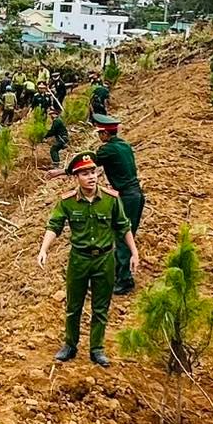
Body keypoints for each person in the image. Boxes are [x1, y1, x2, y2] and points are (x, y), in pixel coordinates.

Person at [39, 153, 139, 367]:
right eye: (85, 174)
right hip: (79, 260)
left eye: (93, 172)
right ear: (77, 177)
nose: (91, 177)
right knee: (74, 305)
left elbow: (123, 226)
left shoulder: (111, 199)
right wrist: (44, 249)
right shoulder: (67, 203)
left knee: (100, 307)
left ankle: (97, 348)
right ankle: (70, 345)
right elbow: (54, 226)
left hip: (104, 259)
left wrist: (134, 252)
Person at [92, 113, 145, 294]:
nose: (99, 137)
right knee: (122, 235)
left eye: (100, 133)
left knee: (122, 237)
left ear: (105, 134)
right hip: (135, 195)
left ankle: (124, 281)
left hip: (128, 198)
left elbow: (90, 164)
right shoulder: (124, 145)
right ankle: (118, 274)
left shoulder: (107, 149)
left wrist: (64, 171)